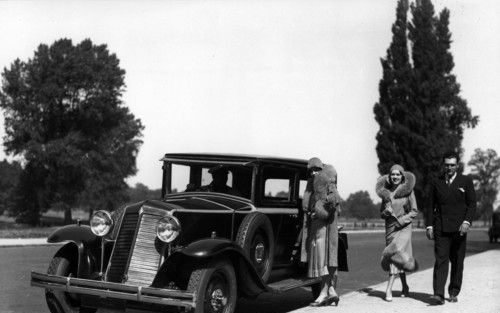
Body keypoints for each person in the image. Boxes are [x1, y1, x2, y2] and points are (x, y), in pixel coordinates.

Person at [426, 152, 476, 305]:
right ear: (444, 165)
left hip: (460, 229)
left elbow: (472, 204)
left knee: (457, 261)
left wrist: (467, 222)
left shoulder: (466, 181)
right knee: (441, 259)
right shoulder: (436, 182)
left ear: (457, 165)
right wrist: (429, 225)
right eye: (447, 165)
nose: (449, 167)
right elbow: (430, 206)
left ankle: (453, 291)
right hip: (441, 227)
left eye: (452, 165)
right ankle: (439, 294)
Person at [376, 164, 419, 302]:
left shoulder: (408, 191)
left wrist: (401, 221)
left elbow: (414, 211)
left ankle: (388, 289)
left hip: (404, 227)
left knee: (394, 254)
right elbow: (382, 214)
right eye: (393, 174)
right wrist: (385, 212)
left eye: (398, 174)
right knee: (398, 257)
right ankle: (405, 286)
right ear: (389, 176)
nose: (395, 177)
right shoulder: (385, 193)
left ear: (402, 176)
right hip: (390, 228)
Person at [303, 158, 341, 307]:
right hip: (319, 224)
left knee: (323, 258)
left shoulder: (327, 179)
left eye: (316, 169)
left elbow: (334, 198)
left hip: (325, 224)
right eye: (311, 170)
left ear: (322, 170)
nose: (313, 172)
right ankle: (331, 292)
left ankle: (324, 293)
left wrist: (320, 209)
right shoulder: (315, 182)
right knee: (321, 258)